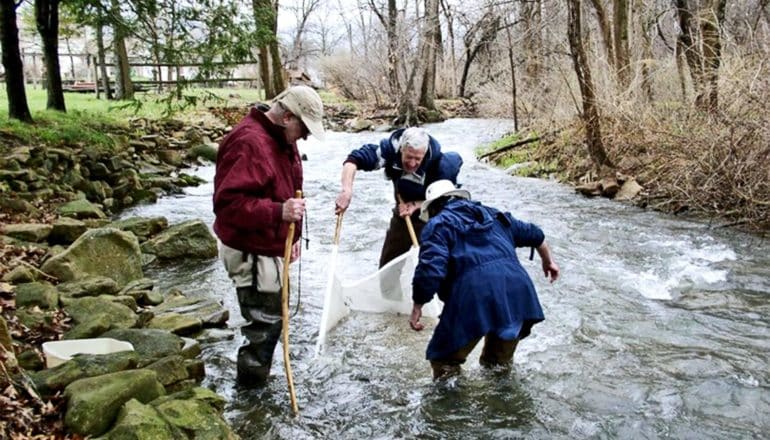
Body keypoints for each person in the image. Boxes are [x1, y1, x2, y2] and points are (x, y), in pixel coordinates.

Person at [212, 85, 325, 386]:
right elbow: (228, 206)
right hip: (250, 250)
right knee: (263, 326)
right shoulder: (249, 142)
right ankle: (251, 396)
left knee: (272, 320)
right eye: (305, 129)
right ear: (287, 116)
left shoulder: (278, 138)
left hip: (268, 245)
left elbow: (282, 192)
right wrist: (280, 214)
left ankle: (255, 386)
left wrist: (292, 236)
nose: (306, 137)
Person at [409, 179, 560, 379]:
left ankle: (452, 408)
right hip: (517, 292)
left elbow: (430, 270)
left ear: (433, 208)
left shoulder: (437, 225)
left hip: (474, 293)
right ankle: (501, 406)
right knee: (498, 367)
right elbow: (536, 234)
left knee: (444, 361)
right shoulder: (495, 215)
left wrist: (418, 303)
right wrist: (548, 261)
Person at [335, 127, 463, 268]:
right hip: (403, 210)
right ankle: (387, 288)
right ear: (401, 149)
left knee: (432, 266)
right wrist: (346, 190)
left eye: (417, 159)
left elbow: (448, 197)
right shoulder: (389, 152)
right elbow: (353, 160)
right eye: (409, 157)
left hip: (435, 211)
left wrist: (416, 205)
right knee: (388, 265)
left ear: (424, 154)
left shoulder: (441, 167)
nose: (412, 163)